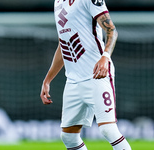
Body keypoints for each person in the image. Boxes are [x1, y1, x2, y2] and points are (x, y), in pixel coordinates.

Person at [40, 0, 132, 149]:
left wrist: (105, 57)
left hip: (97, 75)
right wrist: (47, 79)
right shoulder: (58, 2)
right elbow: (62, 44)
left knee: (108, 129)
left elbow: (112, 30)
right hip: (73, 80)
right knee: (68, 136)